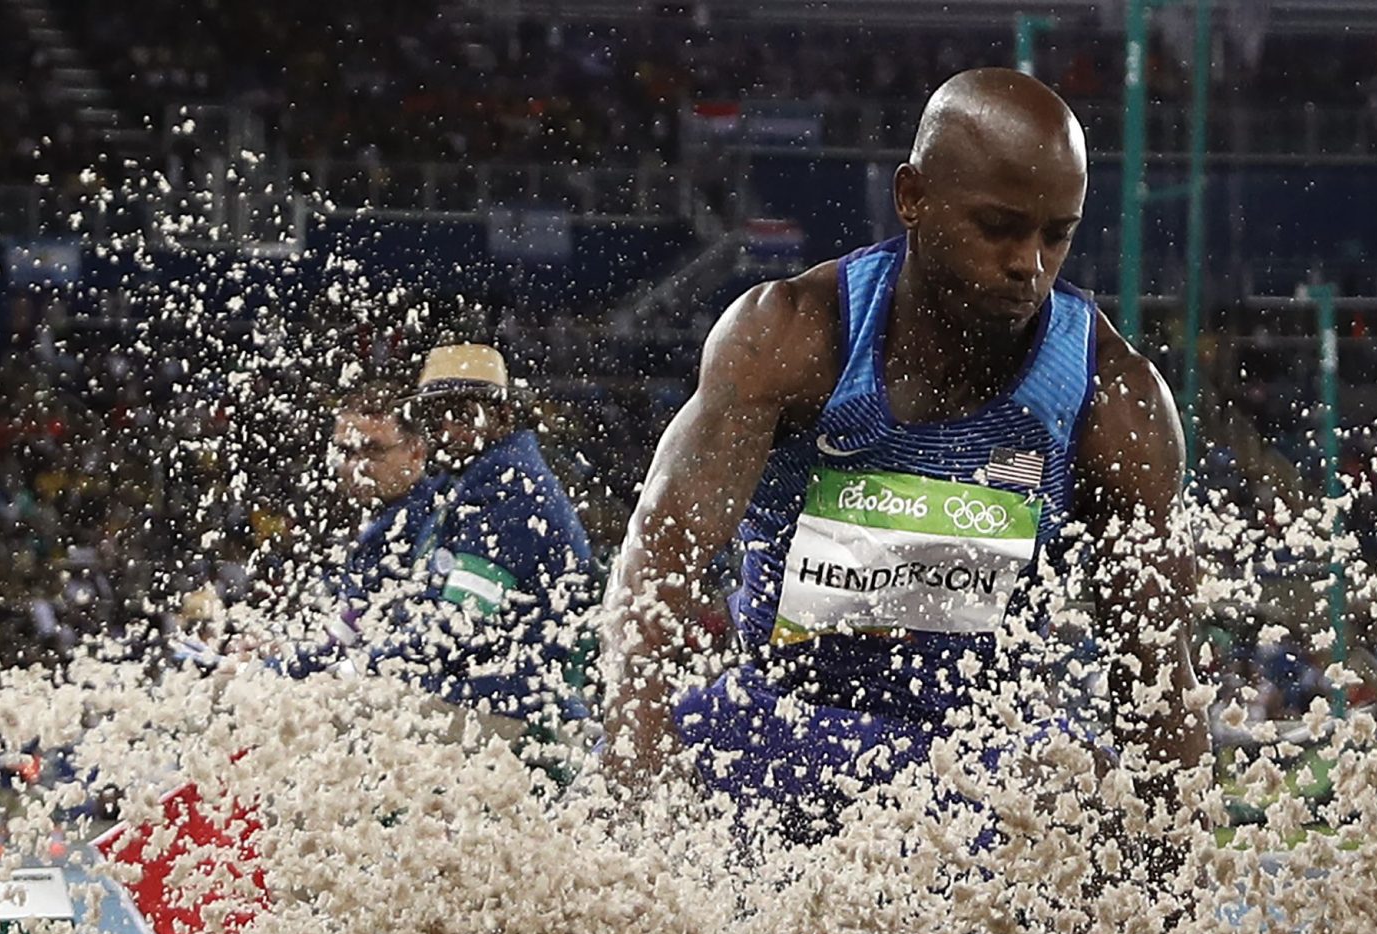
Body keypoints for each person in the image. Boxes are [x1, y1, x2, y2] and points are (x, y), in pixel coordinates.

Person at [601, 69, 1208, 848]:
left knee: (1082, 792)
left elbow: (1156, 674)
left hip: (983, 758)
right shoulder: (789, 338)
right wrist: (637, 823)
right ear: (913, 197)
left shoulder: (1113, 398)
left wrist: (1171, 915)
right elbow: (653, 575)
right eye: (999, 226)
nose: (1030, 263)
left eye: (1056, 234)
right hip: (775, 727)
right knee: (662, 755)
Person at [320, 344, 600, 737]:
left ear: (502, 414)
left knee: (316, 719)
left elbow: (462, 623)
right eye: (437, 418)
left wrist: (359, 666)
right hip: (476, 692)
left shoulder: (510, 488)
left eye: (464, 415)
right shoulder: (475, 481)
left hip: (508, 705)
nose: (448, 431)